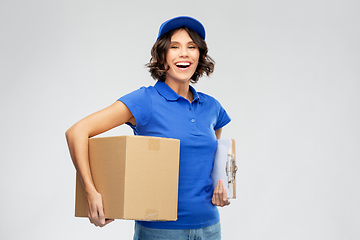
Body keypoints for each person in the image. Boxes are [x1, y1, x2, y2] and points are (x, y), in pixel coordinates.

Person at [66, 16, 231, 240]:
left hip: (210, 228)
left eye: (191, 47)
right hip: (160, 231)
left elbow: (214, 164)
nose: (184, 53)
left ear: (199, 56)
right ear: (163, 57)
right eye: (175, 46)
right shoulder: (146, 100)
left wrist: (220, 190)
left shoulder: (212, 107)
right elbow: (77, 132)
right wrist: (91, 191)